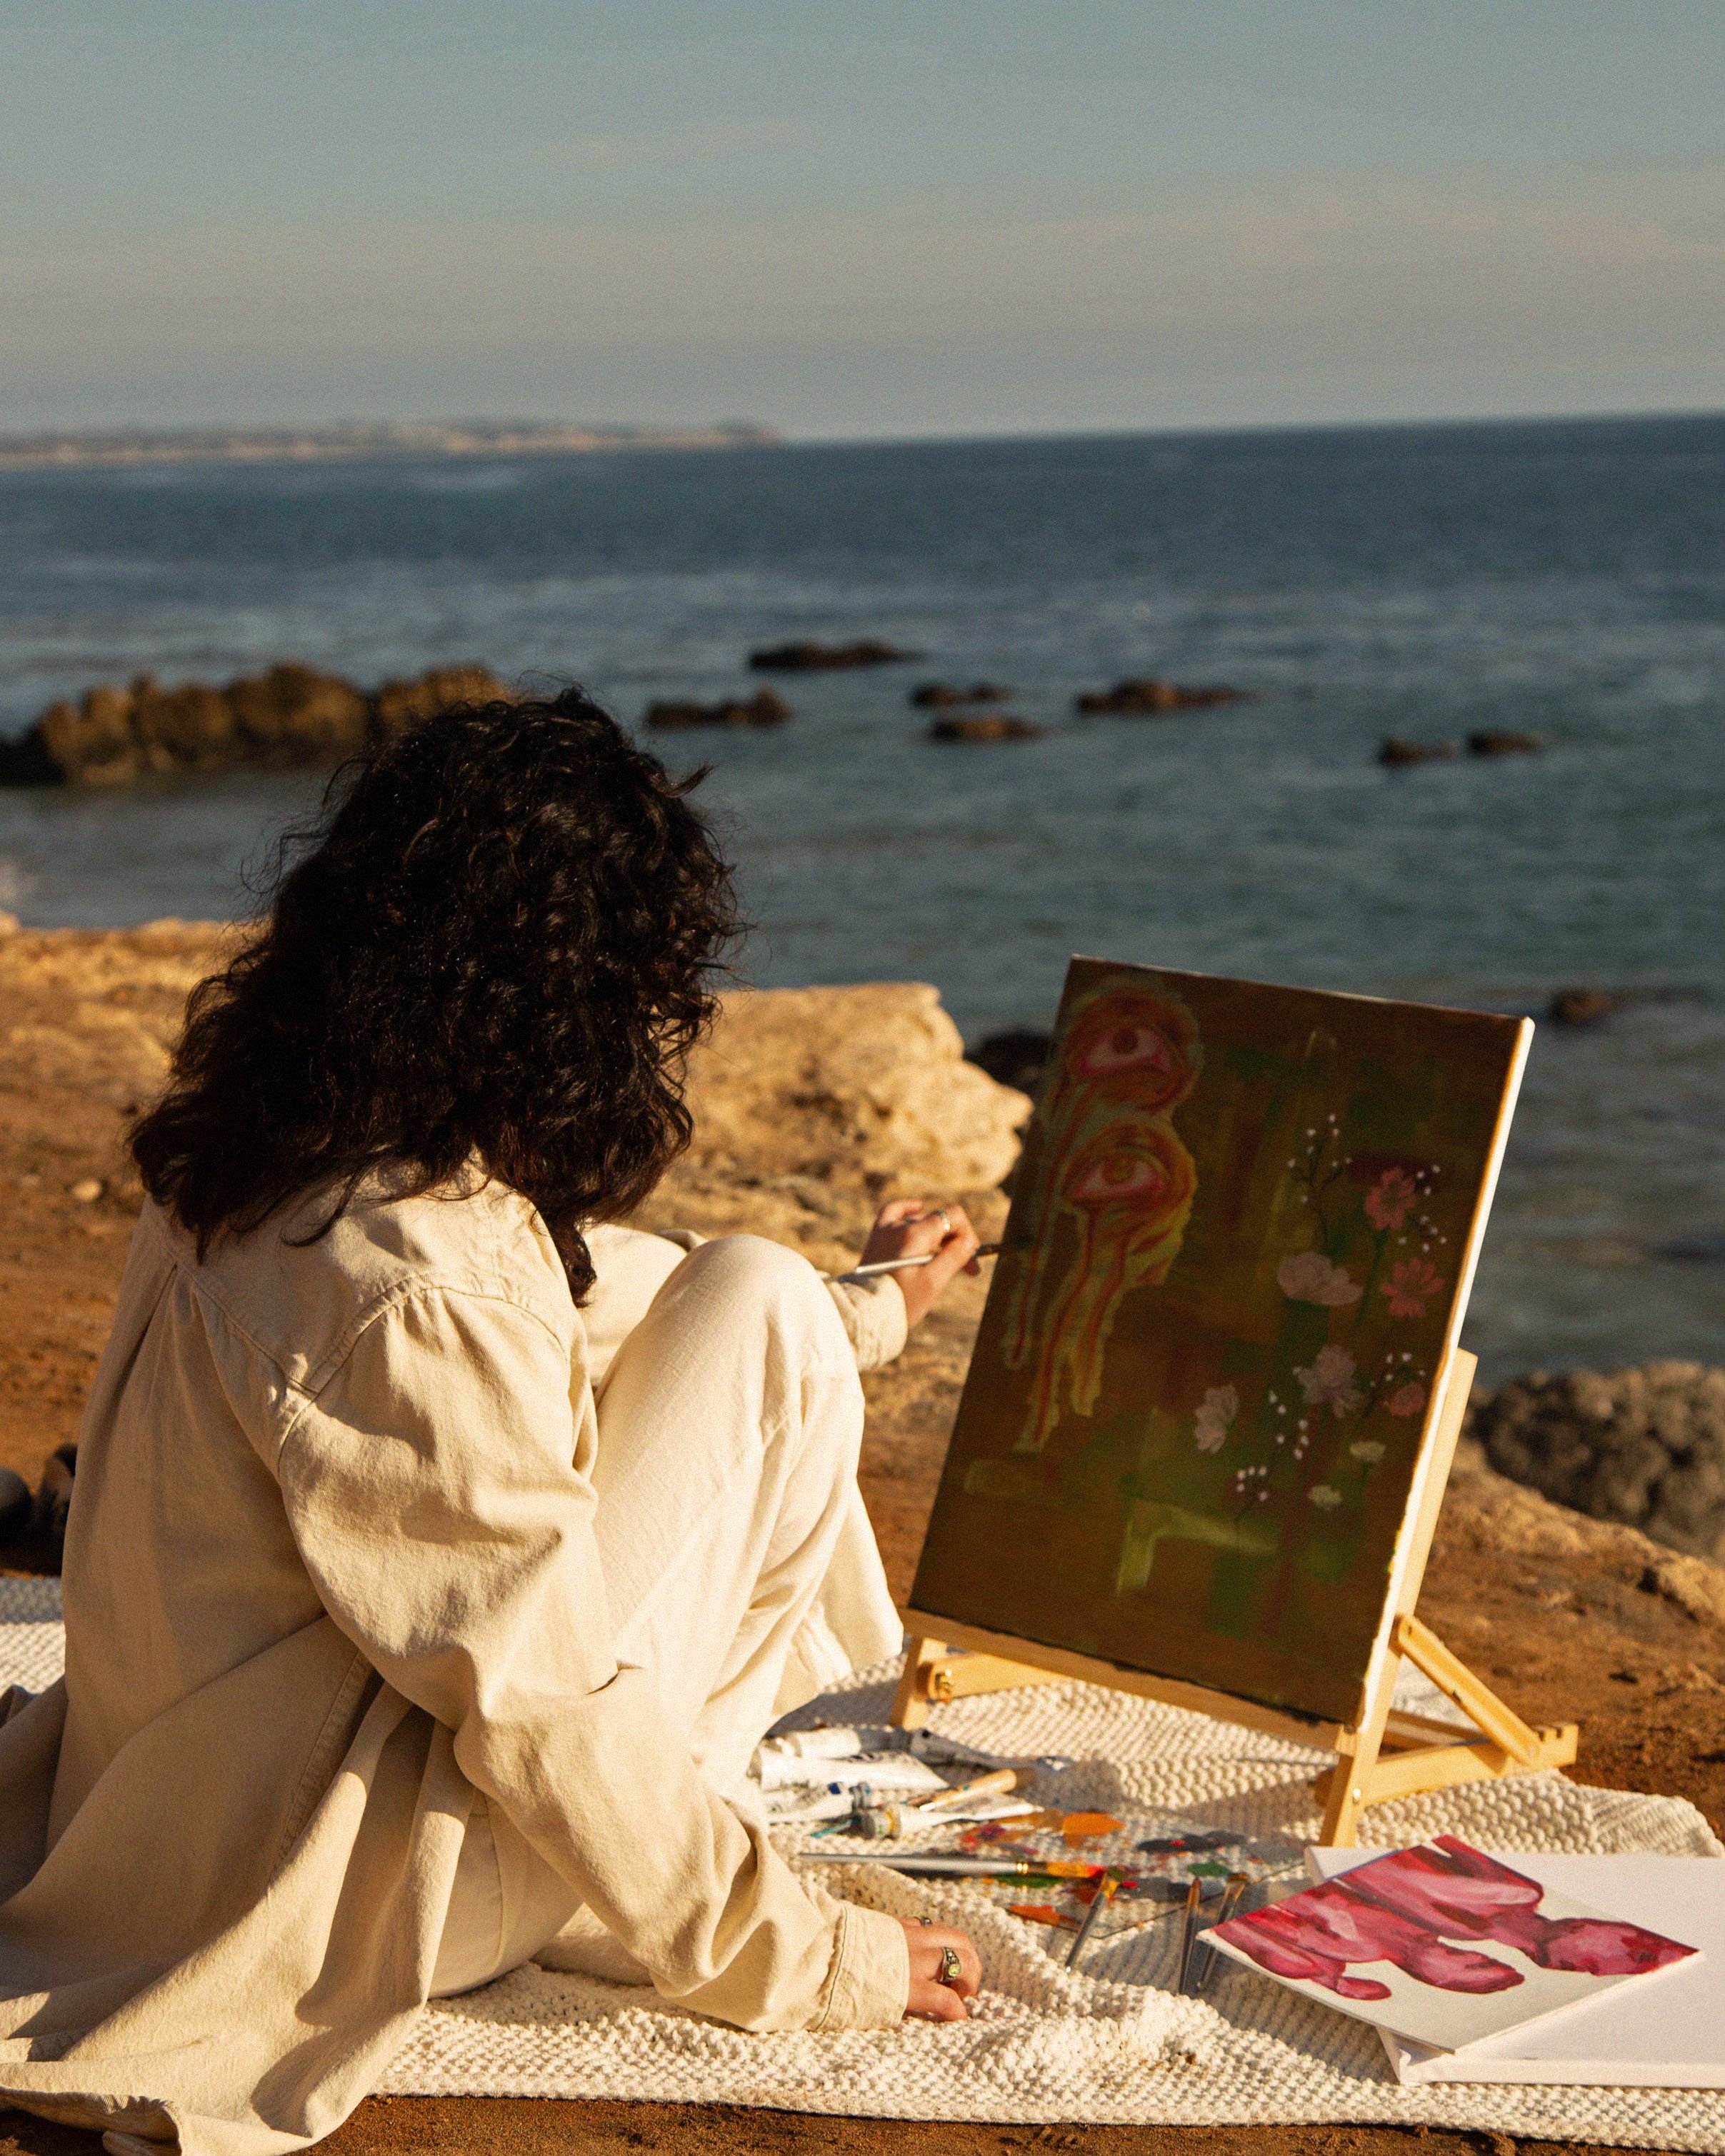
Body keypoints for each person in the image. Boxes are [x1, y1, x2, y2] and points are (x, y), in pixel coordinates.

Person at [0, 690, 984, 2156]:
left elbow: (573, 1305)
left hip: (159, 1821)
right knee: (759, 1302)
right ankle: (656, 1870)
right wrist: (814, 1959)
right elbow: (544, 1700)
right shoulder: (418, 1278)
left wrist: (872, 1311)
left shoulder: (264, 1161)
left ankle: (655, 1840)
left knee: (721, 1290)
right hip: (330, 1899)